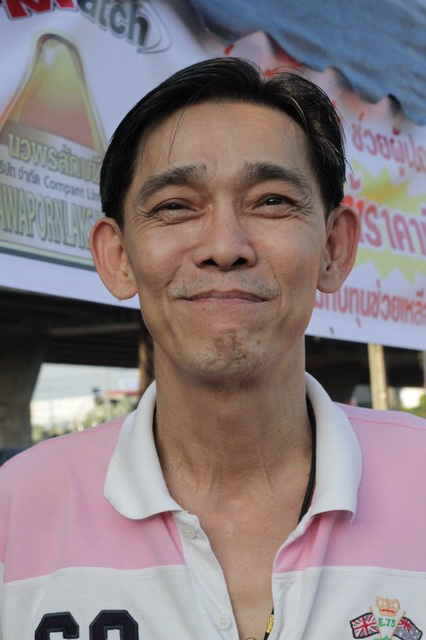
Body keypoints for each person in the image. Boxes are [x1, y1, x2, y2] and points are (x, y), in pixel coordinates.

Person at [1, 57, 425, 640]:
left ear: (334, 248)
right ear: (117, 257)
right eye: (175, 206)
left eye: (271, 201)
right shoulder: (16, 508)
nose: (225, 247)